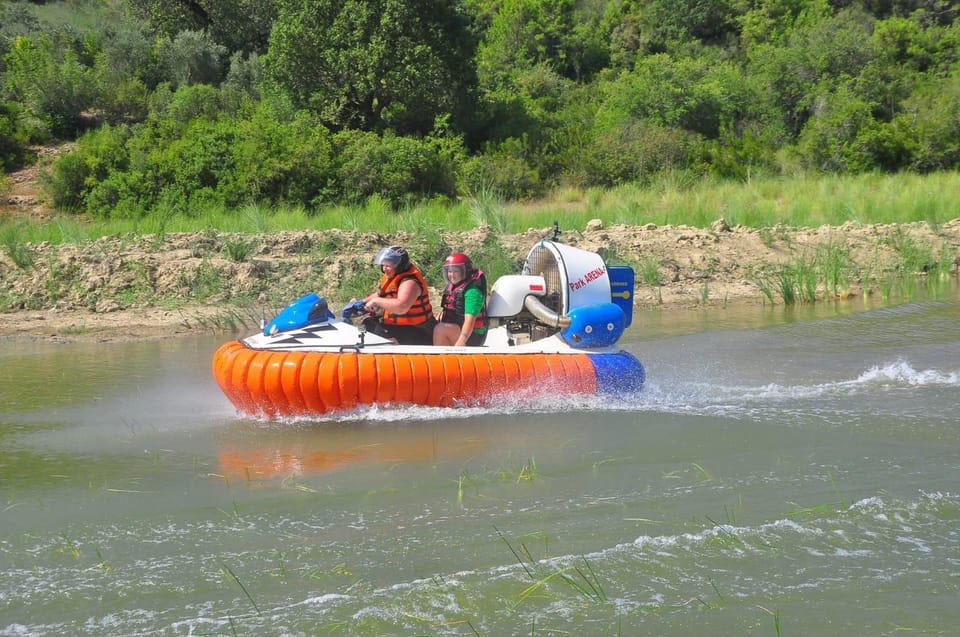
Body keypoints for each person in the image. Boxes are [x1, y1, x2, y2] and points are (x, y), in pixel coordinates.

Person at [356, 245, 436, 345]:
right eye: (383, 265)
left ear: (399, 265)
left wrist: (376, 302)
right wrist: (361, 302)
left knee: (379, 333)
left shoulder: (410, 282)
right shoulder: (392, 277)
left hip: (418, 330)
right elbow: (380, 294)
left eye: (388, 265)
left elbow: (401, 307)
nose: (384, 269)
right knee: (368, 324)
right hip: (400, 326)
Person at [433, 252, 488, 346]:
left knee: (440, 329)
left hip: (472, 336)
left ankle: (441, 358)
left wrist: (461, 341)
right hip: (457, 328)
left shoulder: (472, 292)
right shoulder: (453, 288)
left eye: (456, 271)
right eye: (449, 271)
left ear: (465, 271)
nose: (452, 275)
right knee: (433, 325)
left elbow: (470, 320)